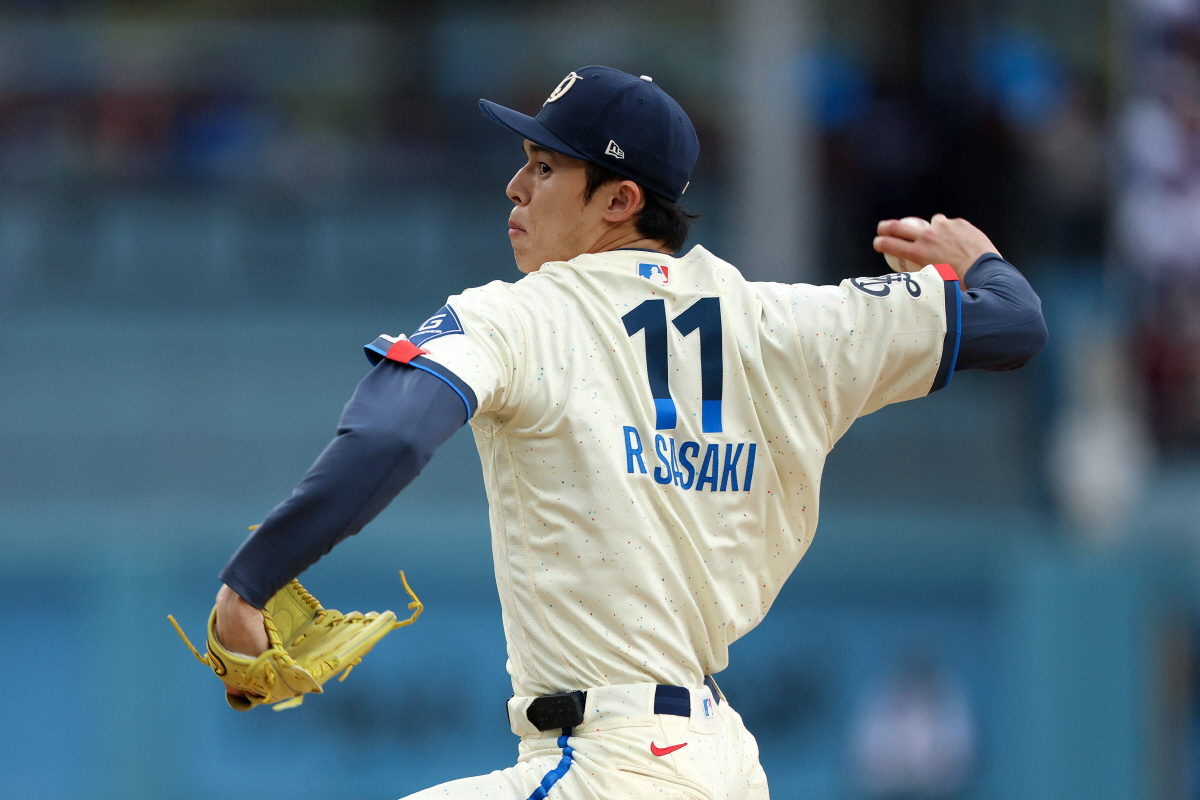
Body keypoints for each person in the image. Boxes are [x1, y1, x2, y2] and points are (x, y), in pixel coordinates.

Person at [210, 66, 1047, 799]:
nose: (516, 187)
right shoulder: (787, 323)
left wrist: (250, 583)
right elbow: (1013, 325)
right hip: (718, 761)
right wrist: (979, 263)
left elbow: (391, 437)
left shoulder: (524, 314)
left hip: (608, 762)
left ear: (620, 200)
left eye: (544, 168)